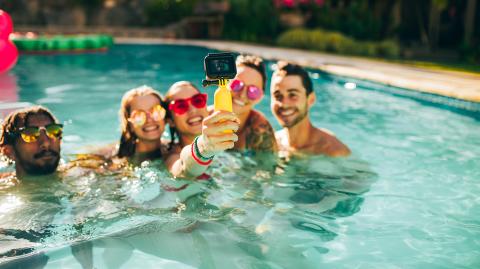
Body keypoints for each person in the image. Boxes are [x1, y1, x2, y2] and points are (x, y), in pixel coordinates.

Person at [270, 61, 351, 157]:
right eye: (278, 96)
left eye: (293, 95)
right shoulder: (273, 143)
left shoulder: (333, 151)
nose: (284, 104)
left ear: (311, 99)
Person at [164, 81, 240, 178]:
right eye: (181, 106)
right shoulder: (170, 154)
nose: (193, 110)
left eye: (197, 101)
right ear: (171, 121)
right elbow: (182, 169)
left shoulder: (231, 138)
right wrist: (204, 147)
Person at [228, 54, 277, 152]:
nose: (242, 95)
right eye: (237, 84)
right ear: (225, 83)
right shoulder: (204, 119)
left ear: (260, 97)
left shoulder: (261, 130)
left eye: (253, 91)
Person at [0, 105, 63, 180]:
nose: (46, 143)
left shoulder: (78, 173)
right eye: (30, 135)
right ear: (9, 151)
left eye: (52, 131)